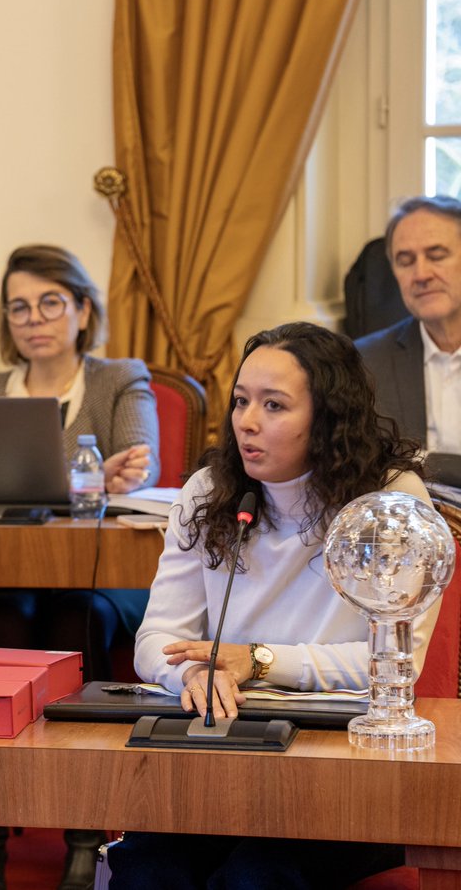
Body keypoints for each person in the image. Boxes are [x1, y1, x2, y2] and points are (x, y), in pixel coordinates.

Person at [111, 322, 436, 889]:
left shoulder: (391, 501)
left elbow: (390, 669)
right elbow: (156, 636)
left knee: (256, 877)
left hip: (342, 768)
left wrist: (257, 661)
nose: (247, 422)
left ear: (328, 417)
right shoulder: (209, 492)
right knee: (148, 870)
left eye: (274, 405)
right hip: (222, 761)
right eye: (241, 401)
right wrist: (189, 669)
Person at [0, 244, 160, 675]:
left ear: (83, 311)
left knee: (76, 616)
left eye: (50, 303)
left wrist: (123, 476)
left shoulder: (119, 378)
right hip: (4, 565)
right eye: (19, 308)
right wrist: (84, 477)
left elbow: (142, 460)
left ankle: (87, 740)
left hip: (101, 569)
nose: (34, 319)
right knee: (3, 616)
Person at [356, 194, 461, 488]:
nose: (421, 274)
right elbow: (361, 465)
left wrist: (423, 459)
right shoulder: (364, 361)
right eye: (405, 261)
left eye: (437, 255)